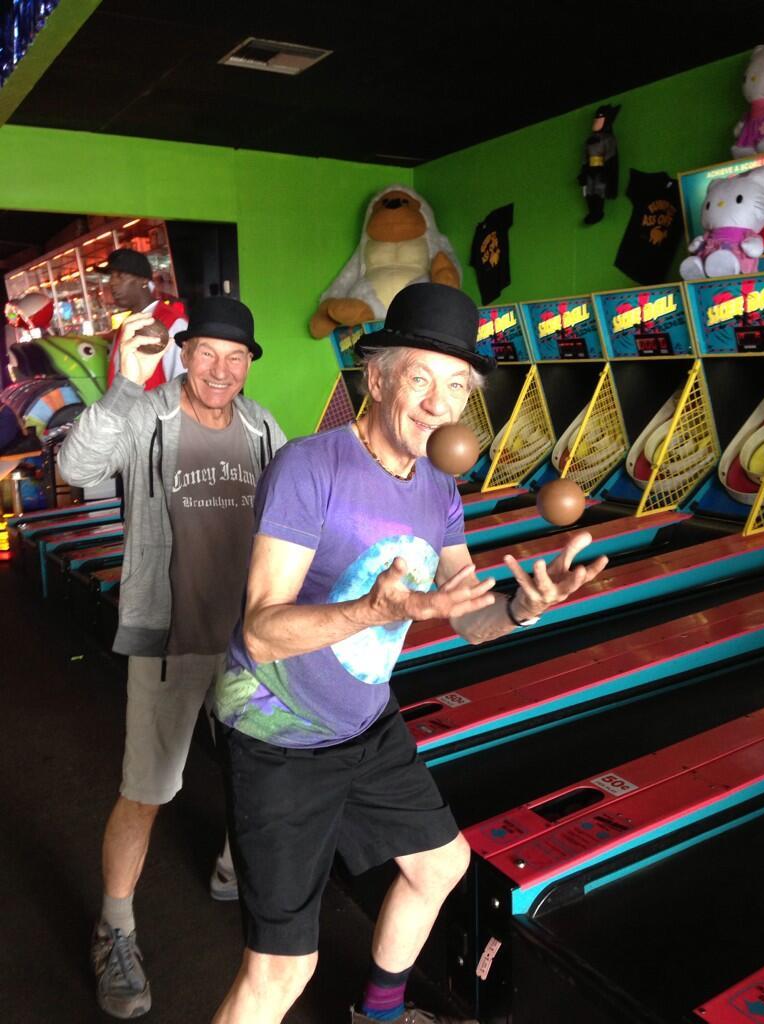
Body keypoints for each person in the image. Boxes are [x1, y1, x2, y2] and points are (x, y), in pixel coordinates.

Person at [212, 282, 608, 1024]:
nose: (437, 402)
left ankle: (381, 1014)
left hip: (365, 723)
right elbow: (261, 630)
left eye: (456, 385)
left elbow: (469, 615)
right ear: (378, 378)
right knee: (281, 971)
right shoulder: (309, 466)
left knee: (440, 865)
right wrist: (373, 610)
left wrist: (525, 606)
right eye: (420, 377)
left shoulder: (439, 489)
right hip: (278, 735)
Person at [58, 295, 287, 1019]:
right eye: (207, 354)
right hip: (169, 638)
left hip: (249, 638)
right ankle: (115, 928)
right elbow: (76, 466)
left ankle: (231, 867)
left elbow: (291, 515)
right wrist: (124, 384)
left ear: (248, 364)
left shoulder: (263, 427)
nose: (220, 370)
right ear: (184, 355)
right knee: (147, 790)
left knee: (259, 767)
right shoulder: (145, 415)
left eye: (235, 357)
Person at [102, 248, 188, 388]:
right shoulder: (126, 326)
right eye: (111, 276)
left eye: (120, 276)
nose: (112, 282)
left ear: (143, 279)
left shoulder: (172, 323)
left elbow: (183, 386)